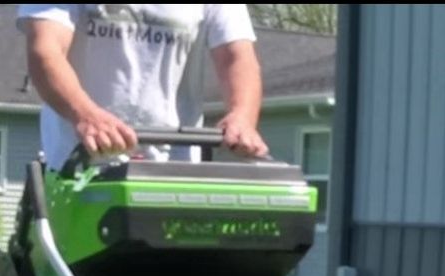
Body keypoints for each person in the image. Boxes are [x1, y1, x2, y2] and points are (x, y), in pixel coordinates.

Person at [19, 4, 268, 168]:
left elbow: (235, 57)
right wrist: (85, 115)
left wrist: (242, 116)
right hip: (79, 168)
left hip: (176, 170)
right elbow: (46, 52)